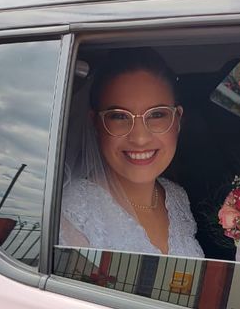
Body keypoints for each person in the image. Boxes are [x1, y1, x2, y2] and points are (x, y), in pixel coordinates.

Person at [60, 48, 204, 257]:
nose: (140, 138)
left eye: (156, 114)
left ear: (177, 120)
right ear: (95, 124)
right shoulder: (74, 212)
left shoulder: (176, 197)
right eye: (119, 116)